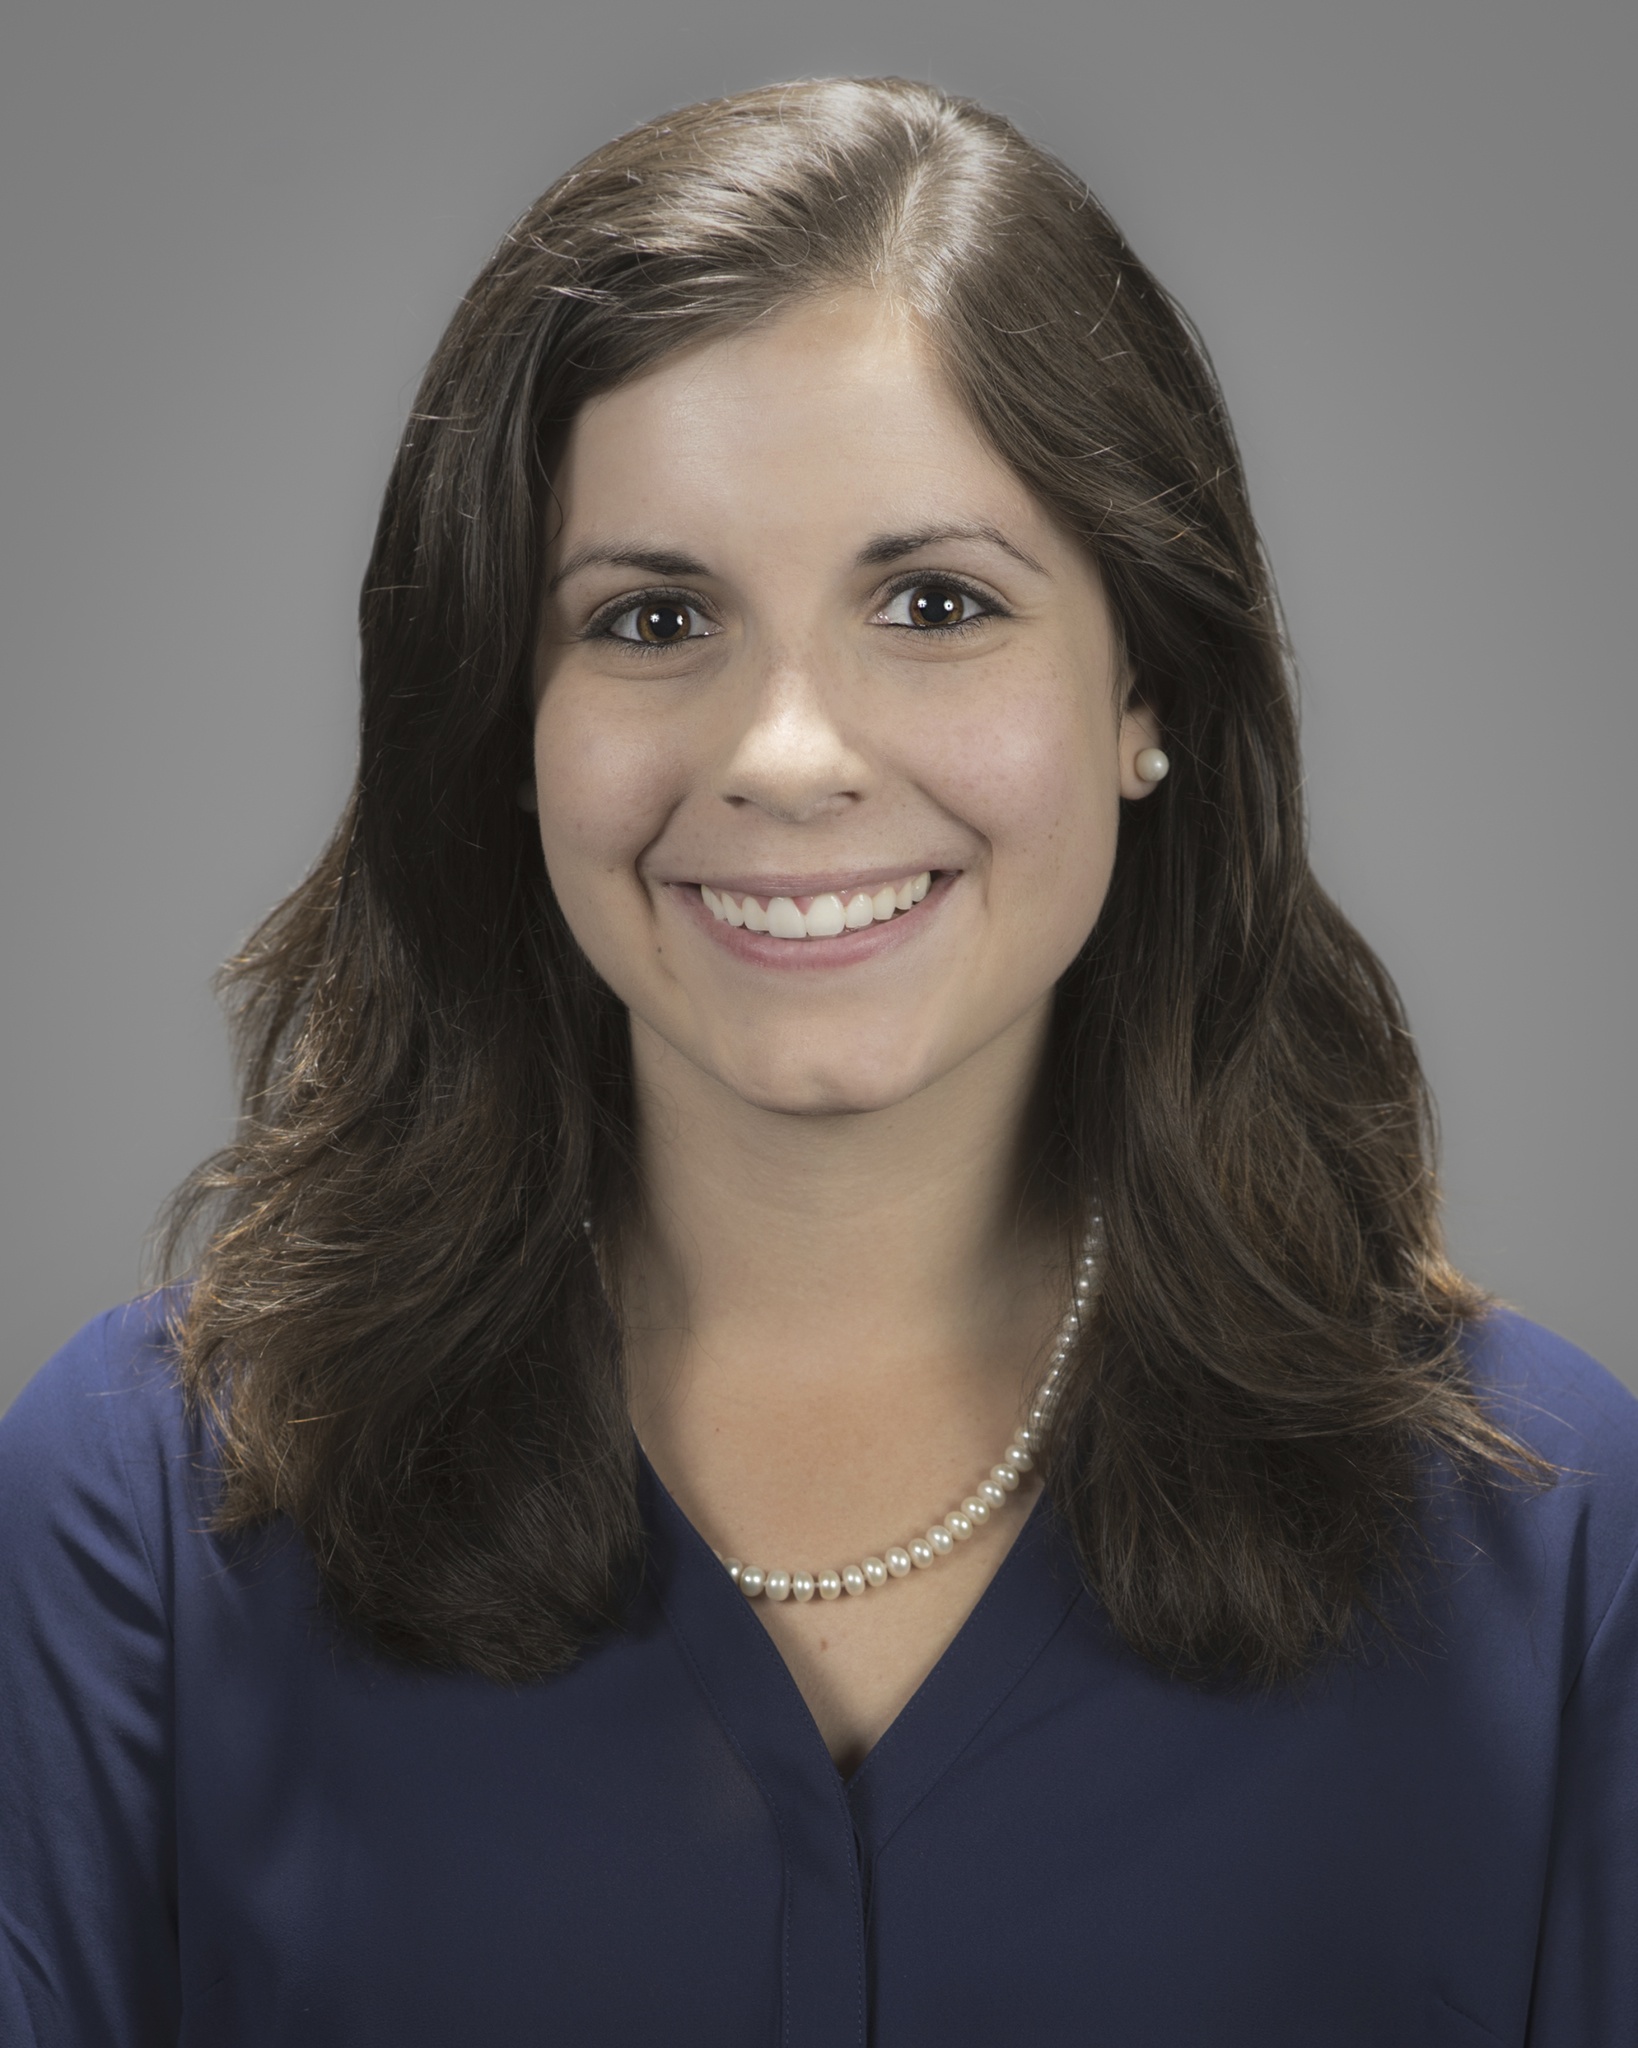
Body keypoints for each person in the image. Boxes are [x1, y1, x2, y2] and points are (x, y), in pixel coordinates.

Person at [1, 75, 1633, 2047]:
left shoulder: (1545, 1535)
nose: (789, 751)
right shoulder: (145, 1524)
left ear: (1151, 692)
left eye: (935, 603)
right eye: (654, 614)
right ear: (502, 726)